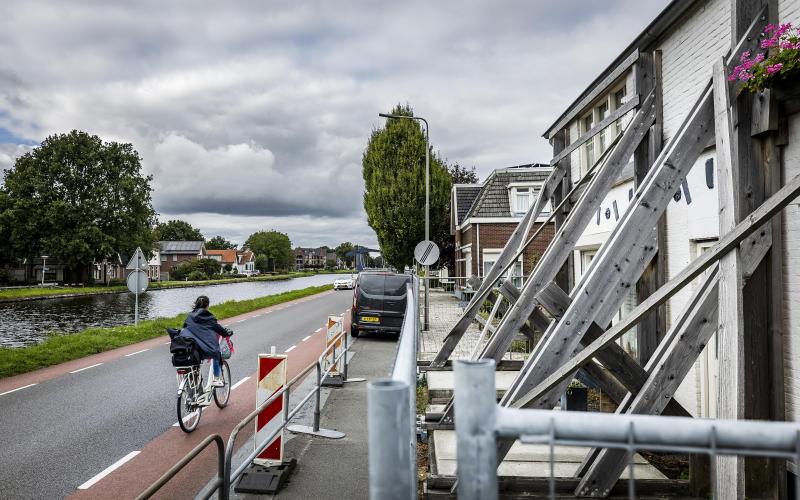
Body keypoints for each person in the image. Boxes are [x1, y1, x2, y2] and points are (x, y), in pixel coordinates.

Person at [178, 295, 232, 387]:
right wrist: (226, 333)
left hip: (191, 347)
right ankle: (216, 379)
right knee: (216, 353)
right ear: (207, 305)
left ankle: (193, 385)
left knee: (195, 361)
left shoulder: (189, 316)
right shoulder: (209, 317)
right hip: (205, 349)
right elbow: (217, 328)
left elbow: (184, 328)